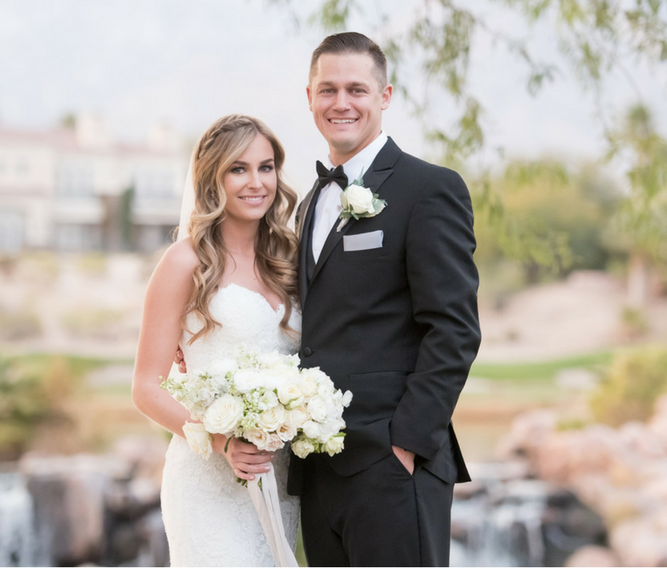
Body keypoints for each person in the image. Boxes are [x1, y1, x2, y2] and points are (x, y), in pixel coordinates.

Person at [289, 31, 481, 566]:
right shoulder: (309, 204)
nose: (341, 103)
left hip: (392, 464)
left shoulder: (429, 188)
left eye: (357, 89)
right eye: (327, 90)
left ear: (385, 96)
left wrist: (406, 445)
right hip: (319, 467)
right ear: (309, 98)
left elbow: (455, 329)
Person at [132, 114, 302, 566]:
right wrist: (224, 442)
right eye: (238, 169)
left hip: (280, 479)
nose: (256, 182)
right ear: (213, 178)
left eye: (266, 167)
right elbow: (146, 388)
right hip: (207, 483)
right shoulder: (184, 262)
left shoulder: (289, 259)